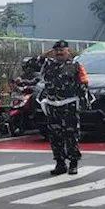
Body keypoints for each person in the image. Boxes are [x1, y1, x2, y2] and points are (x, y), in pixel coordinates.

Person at [32, 40, 88, 175]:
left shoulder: (76, 66)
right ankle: (60, 163)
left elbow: (83, 84)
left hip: (69, 104)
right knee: (55, 136)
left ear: (68, 51)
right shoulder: (47, 64)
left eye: (62, 51)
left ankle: (73, 162)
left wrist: (84, 103)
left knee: (71, 135)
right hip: (52, 105)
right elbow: (30, 64)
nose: (59, 53)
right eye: (57, 51)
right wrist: (44, 55)